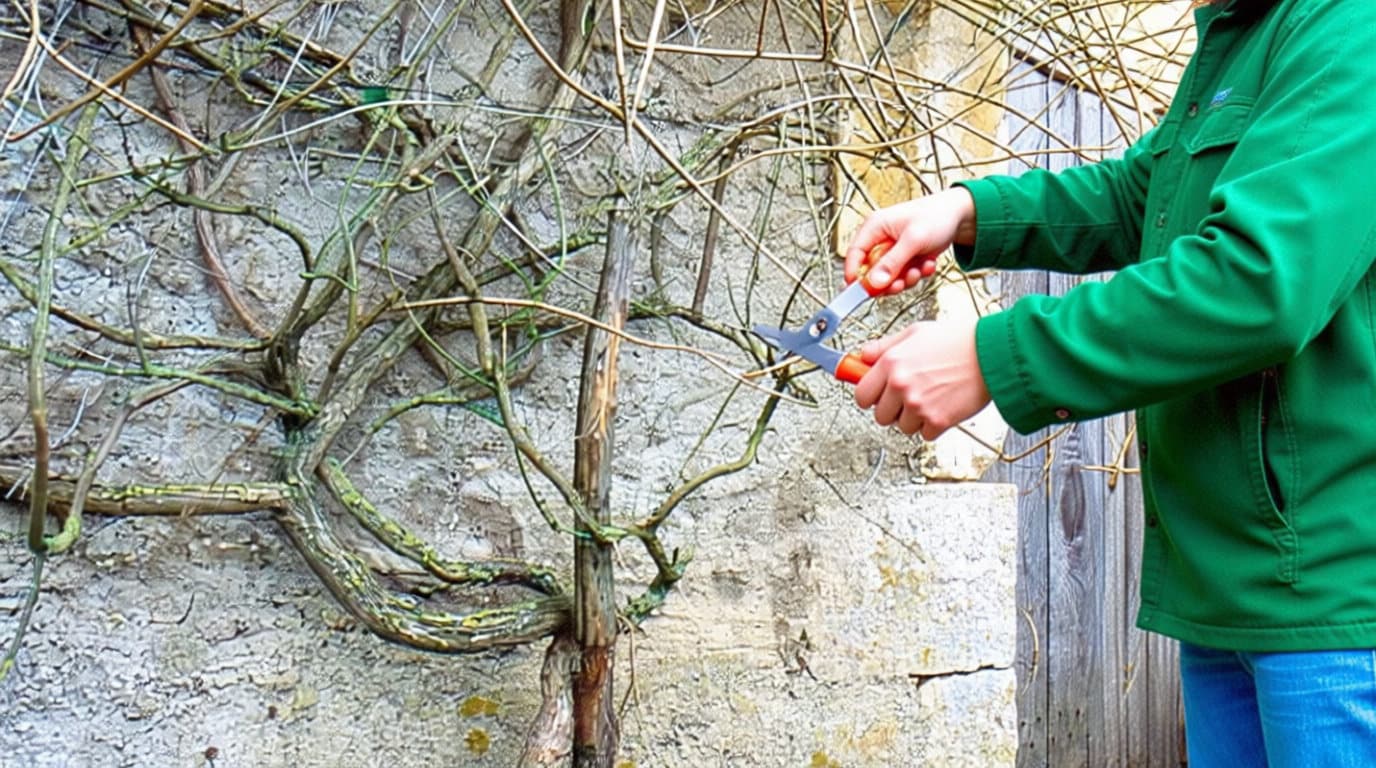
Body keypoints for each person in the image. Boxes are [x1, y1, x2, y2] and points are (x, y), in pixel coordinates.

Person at [841, 0, 1376, 765]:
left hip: (1336, 609)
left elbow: (1259, 282)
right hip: (1229, 591)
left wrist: (995, 357)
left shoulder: (1352, 26)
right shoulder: (1242, 36)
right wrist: (968, 212)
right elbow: (1143, 194)